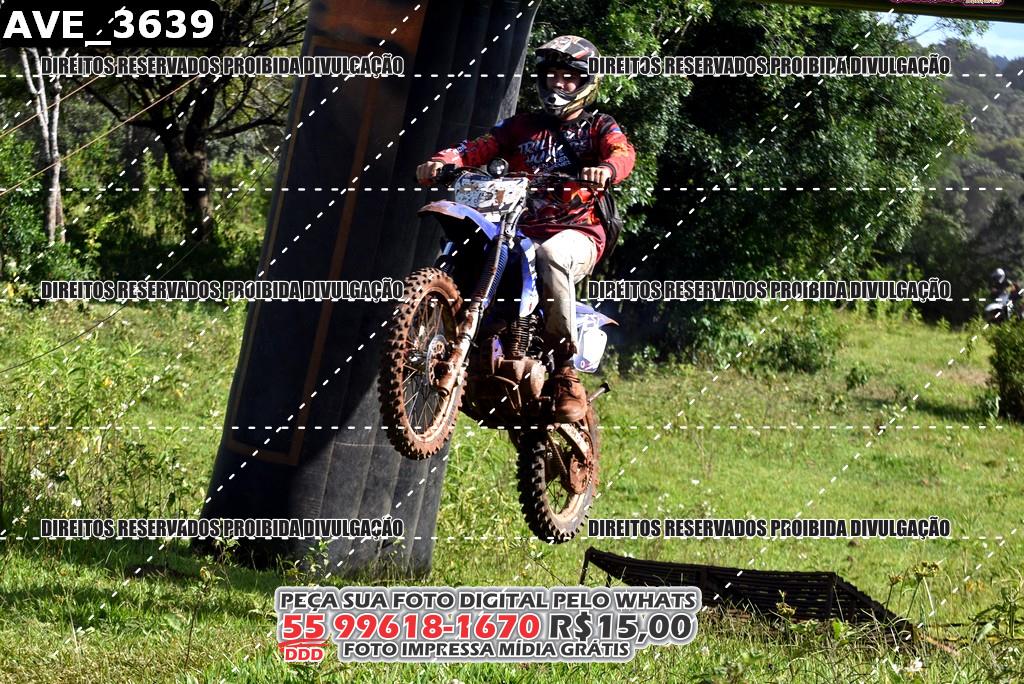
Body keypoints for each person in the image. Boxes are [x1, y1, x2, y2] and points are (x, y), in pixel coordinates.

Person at [416, 35, 635, 422]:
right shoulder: (522, 126)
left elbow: (622, 152)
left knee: (552, 255)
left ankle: (565, 371)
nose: (559, 84)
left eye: (569, 77)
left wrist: (606, 169)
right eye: (552, 76)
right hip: (518, 226)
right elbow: (478, 146)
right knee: (471, 244)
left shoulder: (599, 126)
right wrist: (444, 160)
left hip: (577, 231)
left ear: (587, 82)